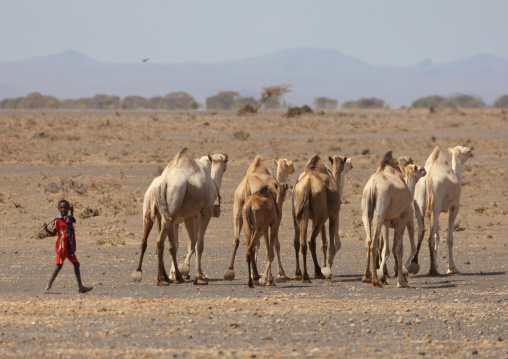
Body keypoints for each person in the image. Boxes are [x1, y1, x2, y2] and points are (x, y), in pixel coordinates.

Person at [44, 200, 93, 293]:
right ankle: (48, 286)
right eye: (61, 207)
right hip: (62, 246)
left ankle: (80, 287)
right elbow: (53, 234)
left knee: (76, 264)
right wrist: (46, 229)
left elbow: (72, 218)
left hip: (69, 246)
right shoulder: (57, 220)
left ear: (68, 208)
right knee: (58, 265)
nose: (63, 209)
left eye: (65, 207)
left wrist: (72, 210)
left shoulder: (68, 218)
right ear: (58, 209)